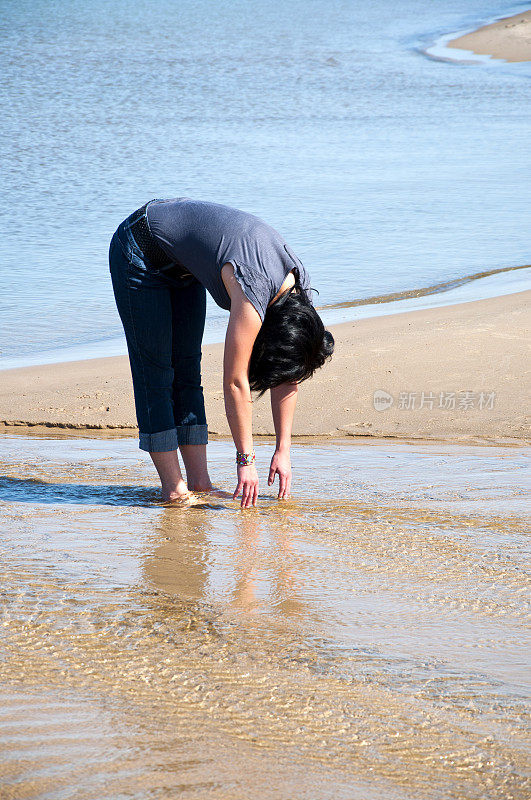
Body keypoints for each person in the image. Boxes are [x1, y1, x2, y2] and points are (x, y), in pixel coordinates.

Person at [108, 197, 334, 508]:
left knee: (187, 370)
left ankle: (200, 483)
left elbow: (289, 370)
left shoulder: (298, 297)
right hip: (139, 248)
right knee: (156, 373)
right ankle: (173, 490)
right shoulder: (253, 289)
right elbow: (235, 381)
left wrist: (284, 449)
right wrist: (246, 461)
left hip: (182, 265)